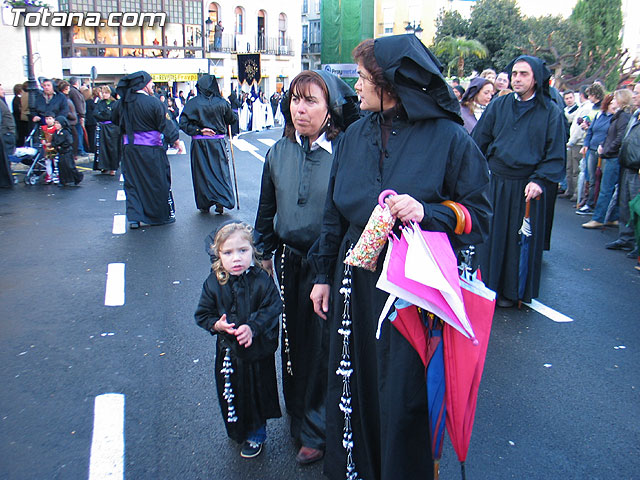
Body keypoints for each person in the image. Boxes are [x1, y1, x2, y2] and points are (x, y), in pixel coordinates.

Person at [309, 35, 491, 480]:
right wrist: (321, 274)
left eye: (366, 79)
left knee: (401, 391)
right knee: (354, 384)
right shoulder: (353, 135)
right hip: (354, 281)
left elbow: (479, 213)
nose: (358, 88)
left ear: (391, 84)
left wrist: (427, 212)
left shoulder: (448, 138)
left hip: (409, 294)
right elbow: (334, 210)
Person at [254, 70, 359, 466]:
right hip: (287, 263)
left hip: (328, 268)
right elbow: (267, 212)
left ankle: (318, 429)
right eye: (296, 99)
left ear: (330, 109)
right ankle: (298, 418)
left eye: (311, 101)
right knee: (292, 344)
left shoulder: (346, 152)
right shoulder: (278, 152)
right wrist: (261, 256)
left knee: (322, 348)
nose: (301, 108)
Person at [472, 55, 565, 308]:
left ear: (535, 78)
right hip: (496, 182)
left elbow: (554, 154)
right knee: (491, 239)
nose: (517, 79)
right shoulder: (498, 106)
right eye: (514, 74)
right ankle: (486, 288)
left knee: (516, 241)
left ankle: (512, 292)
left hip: (527, 186)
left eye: (523, 74)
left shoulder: (550, 113)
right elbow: (478, 142)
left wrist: (540, 180)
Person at [195, 222, 282, 459]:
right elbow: (203, 314)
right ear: (218, 255)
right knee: (231, 392)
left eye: (243, 250)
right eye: (228, 252)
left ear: (252, 251)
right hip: (228, 354)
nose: (237, 258)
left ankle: (256, 433)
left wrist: (253, 327)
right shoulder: (214, 282)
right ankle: (237, 428)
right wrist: (217, 325)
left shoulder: (261, 280)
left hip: (256, 354)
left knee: (255, 393)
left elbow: (274, 306)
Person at [112, 71, 183, 229]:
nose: (153, 86)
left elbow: (115, 120)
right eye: (151, 83)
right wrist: (176, 140)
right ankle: (158, 216)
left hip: (129, 149)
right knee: (156, 182)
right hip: (151, 150)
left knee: (132, 182)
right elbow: (164, 123)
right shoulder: (153, 103)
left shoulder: (122, 103)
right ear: (144, 85)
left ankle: (134, 217)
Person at [178, 75, 237, 214]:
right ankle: (220, 200)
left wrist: (198, 130)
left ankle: (205, 202)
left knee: (202, 172)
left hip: (199, 144)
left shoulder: (192, 103)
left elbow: (183, 123)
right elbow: (232, 119)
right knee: (220, 171)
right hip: (216, 143)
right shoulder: (221, 103)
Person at [582, 89, 633, 229]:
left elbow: (619, 138)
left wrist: (606, 150)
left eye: (615, 99)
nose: (613, 101)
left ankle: (598, 218)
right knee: (612, 189)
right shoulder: (619, 116)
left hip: (613, 157)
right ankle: (611, 217)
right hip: (611, 155)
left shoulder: (623, 117)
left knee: (606, 188)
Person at [605, 82, 640, 254]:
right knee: (625, 204)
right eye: (634, 93)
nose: (634, 96)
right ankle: (626, 238)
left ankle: (637, 244)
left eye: (638, 93)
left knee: (637, 207)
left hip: (637, 168)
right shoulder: (634, 115)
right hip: (627, 166)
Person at [577, 82, 606, 212]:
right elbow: (591, 130)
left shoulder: (602, 111)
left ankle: (591, 203)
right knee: (589, 176)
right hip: (591, 146)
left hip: (599, 149)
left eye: (590, 95)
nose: (589, 98)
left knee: (595, 177)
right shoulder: (594, 109)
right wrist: (586, 144)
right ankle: (586, 199)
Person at [563, 86, 592, 201]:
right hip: (573, 142)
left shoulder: (586, 108)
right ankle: (569, 190)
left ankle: (576, 193)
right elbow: (572, 119)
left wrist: (571, 141)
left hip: (577, 143)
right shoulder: (581, 107)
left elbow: (580, 128)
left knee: (576, 170)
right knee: (569, 168)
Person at [93, 86, 120, 175]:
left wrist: (104, 114)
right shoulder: (100, 103)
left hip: (112, 128)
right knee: (102, 148)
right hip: (102, 127)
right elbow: (95, 113)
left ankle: (113, 167)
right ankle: (103, 166)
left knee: (112, 148)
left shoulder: (114, 103)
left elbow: (112, 115)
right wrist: (103, 115)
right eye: (103, 93)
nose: (104, 95)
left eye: (106, 93)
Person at [51, 115, 83, 186]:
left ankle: (77, 177)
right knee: (61, 167)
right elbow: (53, 141)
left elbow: (69, 141)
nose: (56, 125)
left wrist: (62, 147)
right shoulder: (55, 133)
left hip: (67, 152)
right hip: (60, 152)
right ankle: (63, 181)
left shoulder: (66, 132)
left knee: (70, 166)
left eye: (58, 123)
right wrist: (56, 146)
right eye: (55, 123)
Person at [68, 77, 88, 156]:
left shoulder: (73, 91)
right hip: (77, 116)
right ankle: (80, 149)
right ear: (77, 83)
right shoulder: (74, 92)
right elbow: (78, 104)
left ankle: (79, 149)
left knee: (78, 133)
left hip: (76, 115)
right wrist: (82, 115)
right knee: (79, 133)